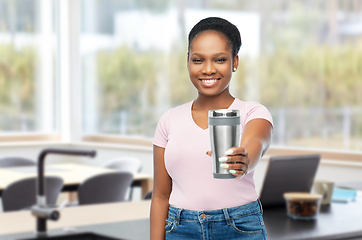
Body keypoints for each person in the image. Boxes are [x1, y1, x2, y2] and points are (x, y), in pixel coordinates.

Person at [150, 17, 273, 240]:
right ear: (188, 62)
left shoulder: (252, 112)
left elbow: (257, 142)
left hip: (239, 227)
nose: (208, 69)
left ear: (234, 62)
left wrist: (245, 159)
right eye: (198, 60)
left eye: (219, 59)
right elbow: (160, 196)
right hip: (179, 229)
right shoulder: (169, 120)